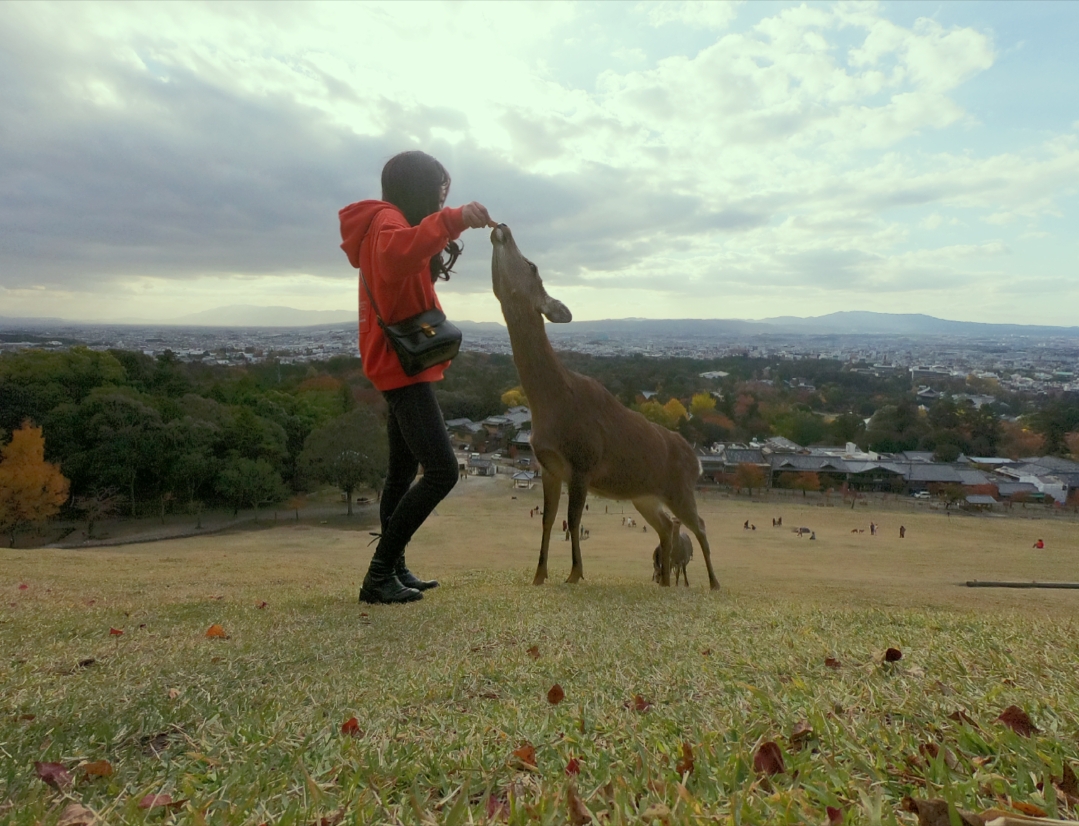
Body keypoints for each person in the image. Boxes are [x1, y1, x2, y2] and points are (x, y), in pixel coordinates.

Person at [339, 150, 496, 605]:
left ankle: (395, 567)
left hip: (399, 363)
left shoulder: (384, 219)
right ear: (419, 188)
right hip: (400, 367)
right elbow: (395, 256)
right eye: (438, 190)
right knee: (443, 471)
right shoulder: (387, 222)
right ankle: (378, 575)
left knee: (402, 472)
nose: (441, 197)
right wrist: (454, 219)